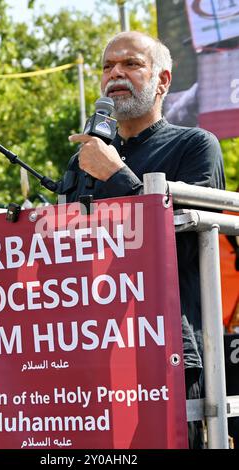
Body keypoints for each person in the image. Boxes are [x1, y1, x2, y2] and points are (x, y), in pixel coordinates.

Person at [60, 31, 225, 448]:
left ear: (163, 80)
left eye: (131, 64)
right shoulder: (82, 160)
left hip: (162, 350)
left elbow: (183, 245)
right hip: (86, 352)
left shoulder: (195, 145)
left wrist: (116, 176)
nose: (115, 73)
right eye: (107, 66)